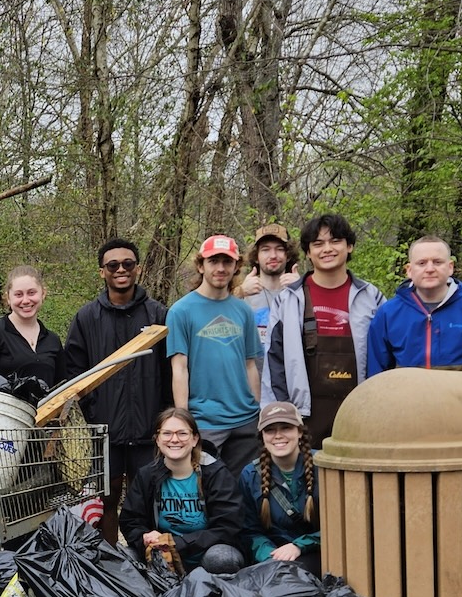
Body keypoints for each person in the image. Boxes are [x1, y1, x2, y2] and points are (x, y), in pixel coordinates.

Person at [61, 238, 169, 544]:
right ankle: (110, 566)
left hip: (149, 430)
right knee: (105, 502)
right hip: (104, 432)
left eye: (128, 264)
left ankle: (146, 565)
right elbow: (75, 375)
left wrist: (164, 418)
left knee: (147, 503)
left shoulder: (158, 315)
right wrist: (94, 412)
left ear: (139, 269)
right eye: (113, 265)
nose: (121, 270)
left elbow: (170, 370)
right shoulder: (86, 318)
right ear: (102, 272)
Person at [265, 213, 385, 449]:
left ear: (349, 246)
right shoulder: (288, 300)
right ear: (308, 253)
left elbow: (386, 359)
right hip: (304, 416)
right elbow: (274, 362)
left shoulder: (372, 298)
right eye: (318, 244)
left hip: (359, 414)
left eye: (335, 241)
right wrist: (282, 414)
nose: (327, 249)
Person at [367, 235, 462, 430]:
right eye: (422, 263)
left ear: (450, 267)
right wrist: (383, 420)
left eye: (437, 262)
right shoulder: (388, 314)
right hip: (404, 423)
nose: (430, 268)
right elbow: (376, 377)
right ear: (409, 270)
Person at [165, 233, 264, 476]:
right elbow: (179, 369)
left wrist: (258, 410)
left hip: (245, 420)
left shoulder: (243, 310)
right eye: (213, 261)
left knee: (245, 491)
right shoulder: (181, 311)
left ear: (236, 266)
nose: (220, 268)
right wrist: (183, 421)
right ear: (201, 265)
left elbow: (251, 364)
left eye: (227, 262)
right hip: (205, 421)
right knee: (207, 491)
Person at [115, 407, 249, 576]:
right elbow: (130, 520)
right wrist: (145, 537)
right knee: (123, 556)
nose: (174, 439)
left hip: (205, 556)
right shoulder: (147, 475)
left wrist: (179, 543)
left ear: (194, 439)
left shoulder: (216, 473)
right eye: (167, 433)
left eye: (182, 433)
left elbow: (228, 527)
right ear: (157, 439)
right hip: (162, 556)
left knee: (222, 558)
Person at [238, 401, 322, 574]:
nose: (278, 435)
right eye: (270, 430)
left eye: (286, 428)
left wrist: (300, 545)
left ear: (299, 432)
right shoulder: (250, 475)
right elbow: (249, 531)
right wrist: (268, 556)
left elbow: (341, 527)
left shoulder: (323, 467)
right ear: (262, 436)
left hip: (320, 553)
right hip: (273, 558)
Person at [0, 265, 62, 390]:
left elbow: (62, 389)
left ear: (43, 293)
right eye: (18, 294)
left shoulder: (53, 341)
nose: (26, 300)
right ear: (8, 298)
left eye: (31, 293)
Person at [237, 225, 300, 336]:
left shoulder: (299, 290)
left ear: (288, 255)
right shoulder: (244, 292)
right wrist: (240, 292)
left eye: (279, 249)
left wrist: (302, 290)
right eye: (265, 250)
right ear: (256, 257)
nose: (273, 256)